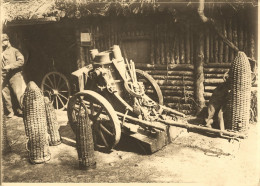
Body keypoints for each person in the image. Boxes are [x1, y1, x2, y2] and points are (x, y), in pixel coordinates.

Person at [2, 33, 26, 118]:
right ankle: (10, 112)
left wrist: (10, 66)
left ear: (7, 41)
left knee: (19, 93)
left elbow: (21, 61)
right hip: (4, 76)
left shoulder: (14, 51)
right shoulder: (2, 52)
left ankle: (24, 111)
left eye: (3, 41)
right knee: (5, 93)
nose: (2, 43)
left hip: (15, 75)